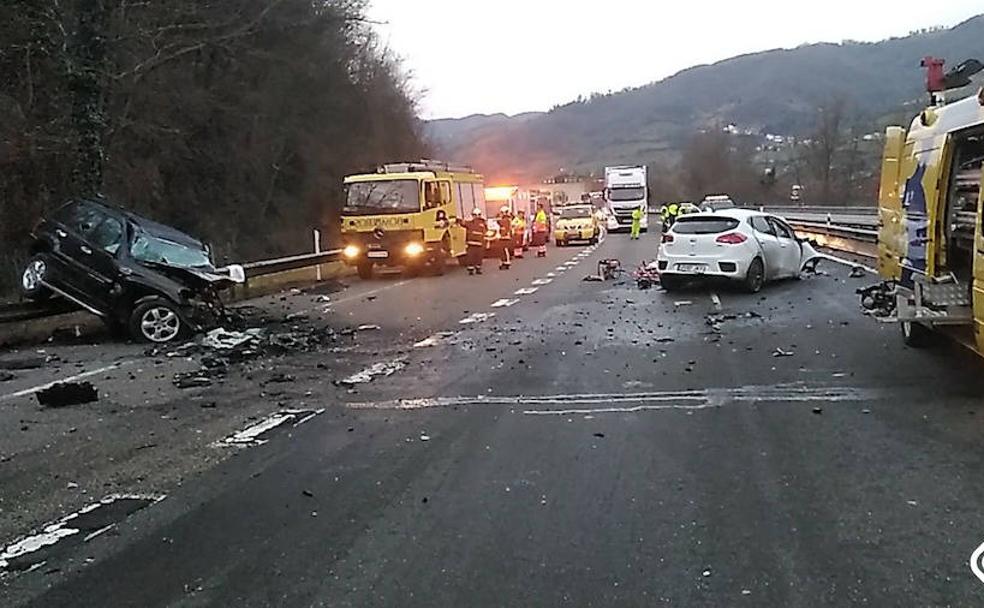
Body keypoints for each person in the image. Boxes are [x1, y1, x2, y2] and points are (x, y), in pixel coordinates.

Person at [463, 208, 486, 275]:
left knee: (472, 257)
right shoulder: (483, 223)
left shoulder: (471, 223)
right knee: (477, 257)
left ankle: (472, 269)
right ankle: (476, 269)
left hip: (473, 244)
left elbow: (463, 223)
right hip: (477, 244)